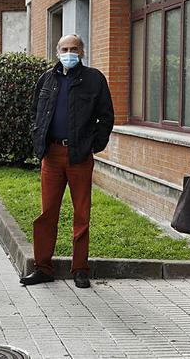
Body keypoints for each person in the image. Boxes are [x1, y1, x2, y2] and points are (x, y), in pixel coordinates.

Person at [20, 34, 114, 289]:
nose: (69, 52)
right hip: (51, 156)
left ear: (82, 52)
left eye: (74, 48)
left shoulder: (94, 79)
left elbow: (106, 117)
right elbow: (34, 113)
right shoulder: (47, 79)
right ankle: (43, 268)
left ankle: (80, 269)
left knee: (82, 213)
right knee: (46, 212)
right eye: (64, 49)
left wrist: (92, 145)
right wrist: (37, 135)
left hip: (79, 156)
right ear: (57, 51)